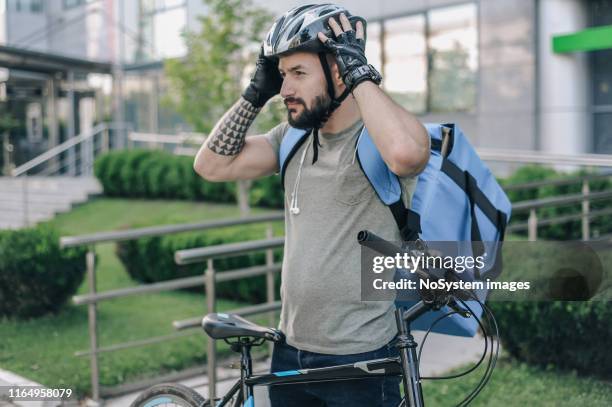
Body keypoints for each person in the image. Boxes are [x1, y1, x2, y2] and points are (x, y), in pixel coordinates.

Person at [194, 4, 429, 406]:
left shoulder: (380, 137)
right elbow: (211, 164)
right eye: (282, 75)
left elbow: (408, 154)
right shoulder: (291, 138)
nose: (285, 89)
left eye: (298, 74)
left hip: (363, 359)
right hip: (290, 351)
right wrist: (254, 94)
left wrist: (359, 71)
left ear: (338, 71)